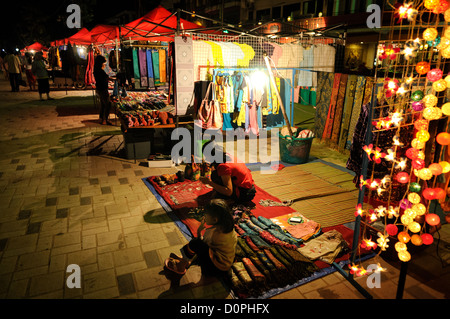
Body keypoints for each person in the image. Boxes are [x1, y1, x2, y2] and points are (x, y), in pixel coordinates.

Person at [165, 199, 237, 281]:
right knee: (198, 245)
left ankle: (181, 265)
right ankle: (187, 259)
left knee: (195, 243)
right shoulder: (228, 228)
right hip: (224, 265)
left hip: (216, 269)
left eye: (206, 215)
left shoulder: (213, 233)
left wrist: (199, 231)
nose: (204, 217)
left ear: (215, 220)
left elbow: (200, 244)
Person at [93, 55, 113, 125]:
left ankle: (102, 118)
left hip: (100, 88)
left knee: (103, 104)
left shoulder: (96, 70)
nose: (104, 64)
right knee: (107, 104)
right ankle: (105, 119)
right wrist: (113, 79)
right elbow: (106, 78)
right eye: (103, 63)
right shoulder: (100, 71)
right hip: (102, 89)